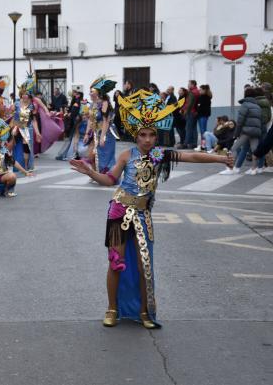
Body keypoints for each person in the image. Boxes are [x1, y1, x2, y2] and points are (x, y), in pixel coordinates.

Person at [70, 89, 232, 329]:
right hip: (118, 212)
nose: (147, 140)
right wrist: (92, 173)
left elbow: (192, 157)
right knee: (116, 261)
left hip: (143, 214)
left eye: (151, 135)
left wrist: (219, 159)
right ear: (136, 136)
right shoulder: (126, 155)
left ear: (157, 137)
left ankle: (144, 312)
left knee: (145, 263)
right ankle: (112, 309)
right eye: (143, 135)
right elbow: (111, 180)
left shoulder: (159, 156)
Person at [220, 87, 265, 175]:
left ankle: (230, 168)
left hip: (246, 131)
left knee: (233, 148)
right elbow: (261, 120)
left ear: (245, 95)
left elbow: (240, 121)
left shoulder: (245, 105)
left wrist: (236, 133)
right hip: (256, 132)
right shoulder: (257, 106)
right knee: (254, 150)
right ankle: (253, 169)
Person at [87, 76, 117, 174]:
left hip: (106, 132)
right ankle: (98, 175)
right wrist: (87, 134)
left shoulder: (105, 103)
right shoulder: (92, 105)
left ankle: (108, 176)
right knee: (92, 156)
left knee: (105, 156)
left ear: (98, 92)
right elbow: (90, 120)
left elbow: (106, 121)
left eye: (92, 91)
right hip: (96, 133)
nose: (90, 93)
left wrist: (102, 137)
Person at [183, 80, 200, 149]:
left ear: (192, 84)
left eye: (189, 84)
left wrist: (186, 111)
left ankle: (187, 143)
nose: (188, 85)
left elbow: (189, 103)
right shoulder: (197, 91)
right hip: (194, 112)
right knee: (193, 128)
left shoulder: (192, 92)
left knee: (189, 128)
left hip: (191, 112)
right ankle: (193, 143)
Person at [195, 84, 212, 150]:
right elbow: (199, 105)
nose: (199, 91)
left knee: (203, 131)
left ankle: (204, 145)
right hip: (200, 115)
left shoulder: (206, 97)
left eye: (201, 89)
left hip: (203, 115)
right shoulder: (201, 97)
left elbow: (202, 107)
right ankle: (203, 145)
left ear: (204, 90)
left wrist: (198, 108)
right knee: (202, 131)